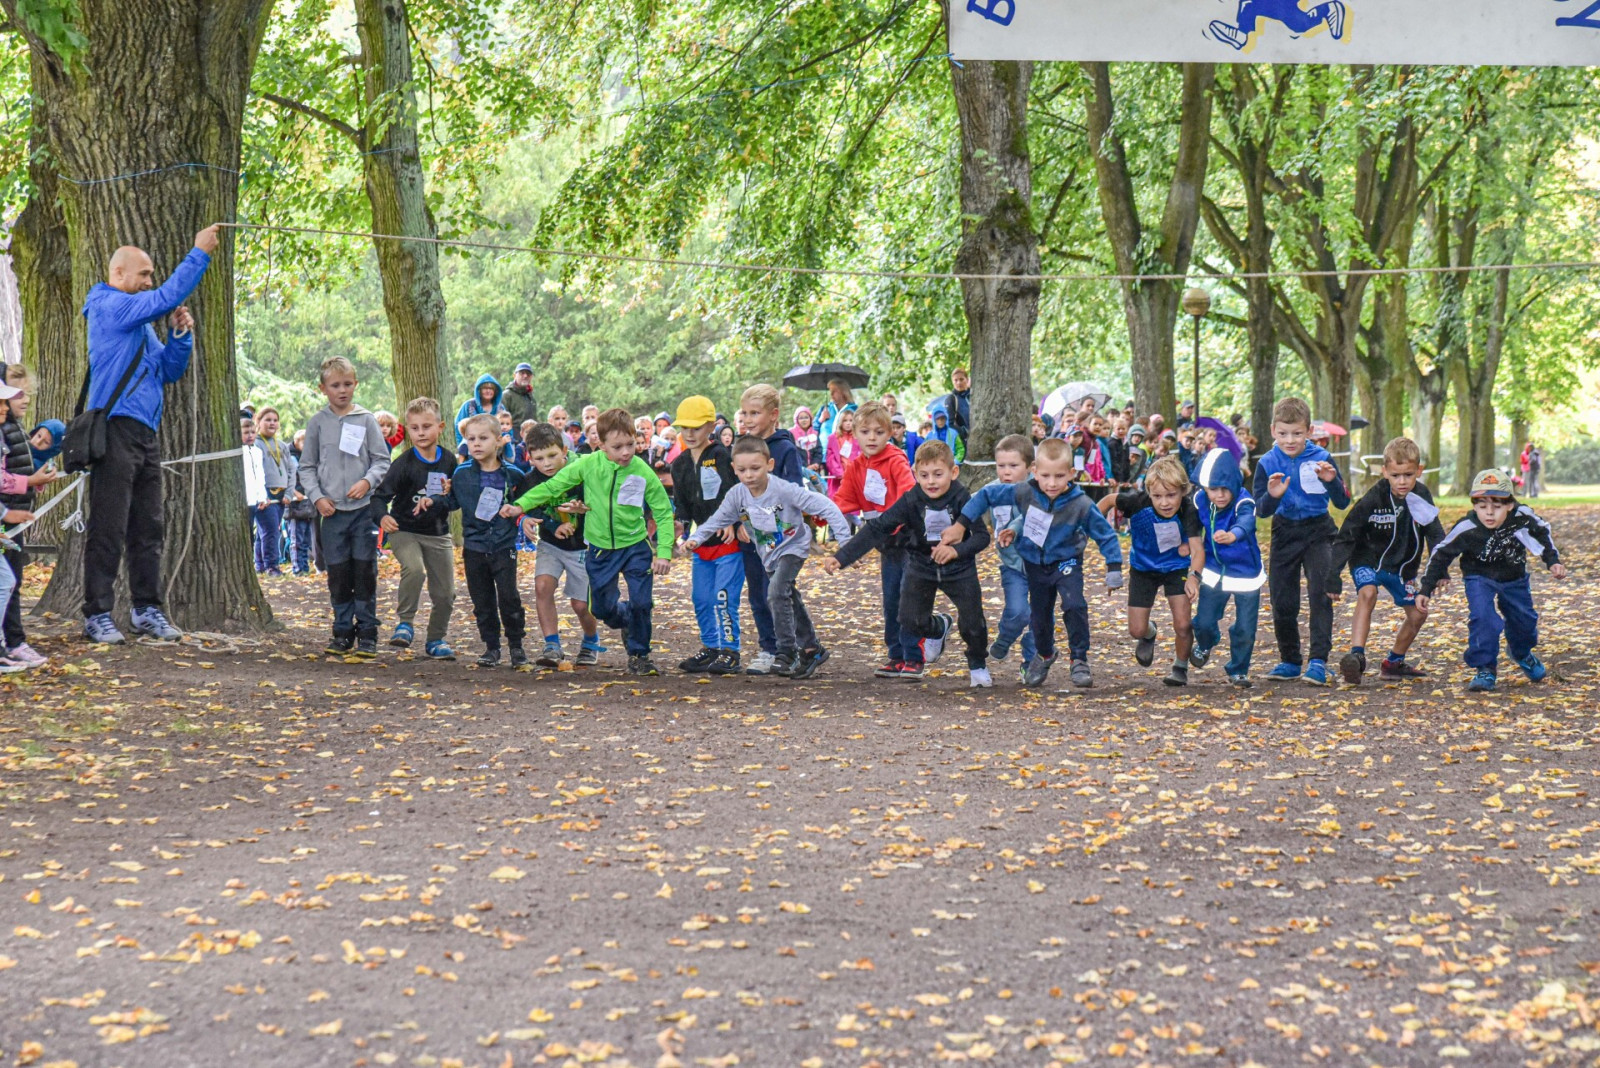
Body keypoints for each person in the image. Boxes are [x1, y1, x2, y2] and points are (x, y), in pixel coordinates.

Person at [80, 223, 219, 644]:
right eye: (143, 274)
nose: (149, 281)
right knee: (108, 526)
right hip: (114, 430)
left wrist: (179, 336)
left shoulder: (141, 327)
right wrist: (199, 253)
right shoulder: (107, 305)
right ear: (118, 274)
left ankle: (146, 609)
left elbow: (168, 370)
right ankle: (97, 614)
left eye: (151, 275)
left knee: (148, 526)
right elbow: (164, 298)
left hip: (146, 435)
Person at [509, 407, 675, 676]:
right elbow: (552, 486)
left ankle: (639, 655)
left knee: (642, 603)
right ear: (601, 443)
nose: (626, 452)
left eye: (630, 444)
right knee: (601, 608)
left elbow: (663, 512)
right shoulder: (588, 465)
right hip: (600, 550)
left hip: (635, 547)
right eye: (617, 447)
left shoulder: (642, 471)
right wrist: (521, 506)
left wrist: (664, 552)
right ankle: (628, 619)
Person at [829, 439, 989, 684]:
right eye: (924, 475)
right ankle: (939, 627)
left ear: (953, 472)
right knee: (909, 620)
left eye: (938, 474)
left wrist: (957, 552)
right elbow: (878, 528)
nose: (931, 481)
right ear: (915, 474)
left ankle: (977, 664)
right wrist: (842, 557)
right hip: (921, 565)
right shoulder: (911, 499)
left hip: (959, 568)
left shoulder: (962, 498)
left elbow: (981, 536)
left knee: (972, 623)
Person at [691, 435, 851, 679]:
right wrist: (697, 537)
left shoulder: (783, 490)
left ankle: (787, 651)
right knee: (789, 597)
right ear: (734, 469)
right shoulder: (737, 494)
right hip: (768, 553)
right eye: (742, 470)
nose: (749, 475)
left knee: (776, 593)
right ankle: (812, 649)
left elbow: (826, 506)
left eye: (755, 468)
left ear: (769, 464)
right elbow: (718, 519)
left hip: (793, 547)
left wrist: (846, 544)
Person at [1416, 469, 1565, 692]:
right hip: (1479, 577)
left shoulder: (1522, 517)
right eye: (1482, 506)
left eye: (1496, 507)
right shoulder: (1468, 527)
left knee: (1524, 620)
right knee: (1483, 619)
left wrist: (1552, 561)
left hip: (1514, 577)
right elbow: (1441, 554)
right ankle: (1485, 667)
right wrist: (1426, 588)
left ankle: (1521, 652)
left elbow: (1542, 532)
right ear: (1474, 506)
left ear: (1509, 505)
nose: (1489, 513)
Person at [996, 437, 1122, 689]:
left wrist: (1114, 567)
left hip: (1067, 562)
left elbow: (1105, 534)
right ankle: (1044, 654)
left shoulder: (1081, 504)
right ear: (1035, 471)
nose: (1052, 483)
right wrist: (1012, 530)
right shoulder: (1029, 494)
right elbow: (1022, 518)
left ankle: (1079, 659)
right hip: (1036, 564)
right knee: (1040, 616)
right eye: (1046, 476)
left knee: (1074, 605)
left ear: (1071, 473)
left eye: (1059, 476)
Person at [1325, 437, 1444, 685]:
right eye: (1395, 475)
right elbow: (1347, 534)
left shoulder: (1421, 495)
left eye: (1408, 475)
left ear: (1419, 471)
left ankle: (1393, 663)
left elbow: (1434, 532)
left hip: (1401, 567)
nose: (1402, 482)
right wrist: (1333, 574)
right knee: (1368, 593)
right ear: (1385, 472)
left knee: (1418, 615)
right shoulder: (1374, 497)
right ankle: (1356, 657)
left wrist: (1440, 569)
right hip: (1367, 559)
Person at [299, 355, 392, 659]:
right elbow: (306, 467)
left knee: (364, 572)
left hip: (363, 512)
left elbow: (381, 460)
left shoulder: (366, 420)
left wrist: (367, 482)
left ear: (356, 384)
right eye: (335, 385)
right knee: (338, 574)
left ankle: (368, 633)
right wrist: (317, 497)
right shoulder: (317, 423)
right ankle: (341, 632)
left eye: (347, 384)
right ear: (323, 388)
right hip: (332, 514)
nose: (342, 390)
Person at [1253, 396, 1350, 686]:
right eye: (1283, 433)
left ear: (1309, 431)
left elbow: (1342, 502)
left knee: (1321, 593)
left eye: (1297, 433)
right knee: (1282, 599)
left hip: (1319, 531)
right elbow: (1261, 510)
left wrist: (1332, 482)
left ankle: (1318, 661)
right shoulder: (1267, 462)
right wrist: (1273, 496)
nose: (1290, 440)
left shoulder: (1322, 457)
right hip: (1284, 532)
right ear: (1273, 430)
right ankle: (1290, 660)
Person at [425, 414, 531, 667]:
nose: (476, 444)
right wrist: (433, 499)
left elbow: (528, 501)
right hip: (474, 546)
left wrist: (525, 516)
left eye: (483, 438)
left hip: (503, 545)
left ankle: (516, 646)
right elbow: (452, 502)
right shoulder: (461, 474)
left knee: (508, 596)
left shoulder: (514, 475)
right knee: (482, 600)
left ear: (498, 441)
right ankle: (491, 647)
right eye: (471, 439)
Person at [830, 402, 918, 677]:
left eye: (879, 432)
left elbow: (909, 494)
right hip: (884, 544)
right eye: (865, 431)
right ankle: (896, 655)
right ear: (854, 433)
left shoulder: (896, 460)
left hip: (910, 541)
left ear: (890, 433)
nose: (871, 438)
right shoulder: (855, 467)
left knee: (908, 598)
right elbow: (842, 501)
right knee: (890, 600)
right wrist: (818, 512)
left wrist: (895, 520)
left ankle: (914, 656)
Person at [1100, 456, 1204, 686]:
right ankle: (1150, 633)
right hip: (1143, 568)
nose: (1164, 502)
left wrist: (1194, 577)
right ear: (1149, 493)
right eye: (1157, 496)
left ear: (1183, 491)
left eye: (1171, 495)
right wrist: (1091, 526)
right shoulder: (1137, 502)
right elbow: (1108, 500)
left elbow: (1197, 549)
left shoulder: (1188, 510)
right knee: (1136, 630)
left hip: (1176, 567)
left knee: (1183, 624)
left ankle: (1180, 667)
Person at [370, 397, 458, 660]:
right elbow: (378, 497)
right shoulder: (404, 463)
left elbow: (456, 501)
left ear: (440, 427)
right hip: (404, 529)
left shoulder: (449, 461)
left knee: (446, 593)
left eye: (427, 426)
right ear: (407, 429)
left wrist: (444, 496)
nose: (421, 433)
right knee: (415, 569)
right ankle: (405, 624)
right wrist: (382, 518)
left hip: (437, 533)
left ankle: (436, 639)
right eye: (415, 428)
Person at [943, 434, 1037, 677]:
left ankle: (1031, 663)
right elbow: (970, 504)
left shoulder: (1040, 488)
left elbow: (1031, 514)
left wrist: (1014, 529)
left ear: (1030, 467)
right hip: (1013, 566)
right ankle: (1005, 638)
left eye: (1013, 466)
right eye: (1001, 465)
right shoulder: (992, 490)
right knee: (1018, 611)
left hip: (1042, 566)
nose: (1006, 471)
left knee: (1041, 619)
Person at [519, 424, 604, 668]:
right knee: (542, 586)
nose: (547, 463)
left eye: (552, 455)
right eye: (539, 458)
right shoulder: (530, 481)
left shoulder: (581, 473)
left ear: (564, 451)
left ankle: (591, 640)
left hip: (582, 548)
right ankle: (552, 644)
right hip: (550, 544)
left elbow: (600, 504)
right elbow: (527, 507)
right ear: (530, 458)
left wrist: (584, 509)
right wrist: (532, 521)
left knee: (581, 605)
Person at [670, 396, 743, 675]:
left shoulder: (723, 455)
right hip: (701, 545)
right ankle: (711, 647)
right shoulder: (679, 464)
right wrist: (680, 526)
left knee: (723, 598)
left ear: (711, 426)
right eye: (684, 428)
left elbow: (737, 489)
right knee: (701, 598)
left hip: (728, 543)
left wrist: (734, 520)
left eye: (697, 427)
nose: (690, 434)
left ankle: (730, 651)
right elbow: (683, 505)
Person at [736, 384, 805, 675]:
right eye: (744, 413)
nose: (748, 419)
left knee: (778, 592)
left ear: (773, 415)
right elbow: (737, 491)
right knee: (757, 594)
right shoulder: (741, 448)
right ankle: (768, 647)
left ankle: (791, 648)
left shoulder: (786, 449)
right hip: (751, 537)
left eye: (755, 413)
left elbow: (794, 491)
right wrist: (741, 521)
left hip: (779, 538)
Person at [1190, 447, 1264, 688]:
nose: (1220, 495)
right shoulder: (1200, 500)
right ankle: (1206, 643)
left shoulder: (1243, 499)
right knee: (1203, 621)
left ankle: (1239, 669)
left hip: (1245, 573)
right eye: (1213, 489)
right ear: (1205, 488)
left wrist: (1234, 534)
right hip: (1214, 569)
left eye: (1225, 488)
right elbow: (1189, 522)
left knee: (1245, 627)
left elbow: (1247, 520)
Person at [1, 368, 55, 667]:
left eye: (27, 394)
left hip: (15, 516)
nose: (23, 400)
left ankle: (12, 641)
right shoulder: (4, 430)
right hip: (5, 519)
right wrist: (29, 481)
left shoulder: (17, 428)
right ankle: (12, 641)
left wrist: (36, 480)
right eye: (16, 394)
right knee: (6, 580)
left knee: (13, 579)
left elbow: (19, 468)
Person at [251, 407, 295, 578]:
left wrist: (289, 493)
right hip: (265, 495)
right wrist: (261, 495)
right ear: (258, 422)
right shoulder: (255, 444)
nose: (272, 423)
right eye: (268, 420)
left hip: (281, 495)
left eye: (275, 420)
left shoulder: (282, 446)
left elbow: (291, 470)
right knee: (270, 531)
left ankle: (260, 565)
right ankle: (272, 566)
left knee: (265, 532)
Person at [454, 373, 506, 437]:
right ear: (479, 390)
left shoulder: (500, 408)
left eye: (491, 388)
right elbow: (457, 428)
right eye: (485, 388)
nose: (488, 391)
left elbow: (507, 428)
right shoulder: (469, 405)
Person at [824, 408, 858, 498]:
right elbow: (830, 458)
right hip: (838, 478)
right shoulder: (833, 438)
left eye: (851, 420)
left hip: (854, 478)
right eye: (845, 420)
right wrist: (839, 473)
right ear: (840, 422)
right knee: (838, 500)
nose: (848, 423)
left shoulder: (858, 438)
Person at [815, 378, 857, 450]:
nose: (831, 394)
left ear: (843, 392)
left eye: (834, 391)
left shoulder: (854, 410)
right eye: (830, 391)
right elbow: (812, 430)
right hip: (823, 452)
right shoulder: (825, 409)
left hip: (843, 453)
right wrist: (821, 420)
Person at [948, 367, 972, 444]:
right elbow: (949, 423)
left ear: (967, 380)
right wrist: (964, 432)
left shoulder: (973, 395)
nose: (959, 383)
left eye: (961, 379)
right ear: (952, 382)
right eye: (956, 380)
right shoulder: (951, 399)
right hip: (965, 441)